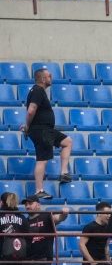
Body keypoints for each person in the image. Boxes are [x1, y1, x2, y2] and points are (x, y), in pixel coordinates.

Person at [20, 68, 72, 200]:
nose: (51, 78)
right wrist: (27, 126)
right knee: (42, 159)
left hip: (45, 130)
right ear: (43, 79)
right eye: (49, 76)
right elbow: (31, 111)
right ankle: (39, 190)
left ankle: (64, 172)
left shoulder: (38, 91)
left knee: (67, 142)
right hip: (41, 130)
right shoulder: (37, 90)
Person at [20, 195, 66, 265]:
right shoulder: (25, 221)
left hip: (42, 261)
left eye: (30, 203)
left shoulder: (46, 216)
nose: (27, 206)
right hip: (26, 261)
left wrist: (64, 214)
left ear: (38, 204)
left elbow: (59, 218)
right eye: (26, 204)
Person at [79, 201, 112, 265]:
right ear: (99, 213)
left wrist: (108, 260)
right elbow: (82, 245)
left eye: (110, 213)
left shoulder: (107, 227)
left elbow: (106, 245)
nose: (109, 216)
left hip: (103, 264)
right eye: (107, 213)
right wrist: (92, 262)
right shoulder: (90, 227)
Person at [0, 193, 24, 265]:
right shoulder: (22, 217)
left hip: (2, 256)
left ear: (2, 202)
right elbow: (27, 235)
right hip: (18, 256)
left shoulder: (0, 216)